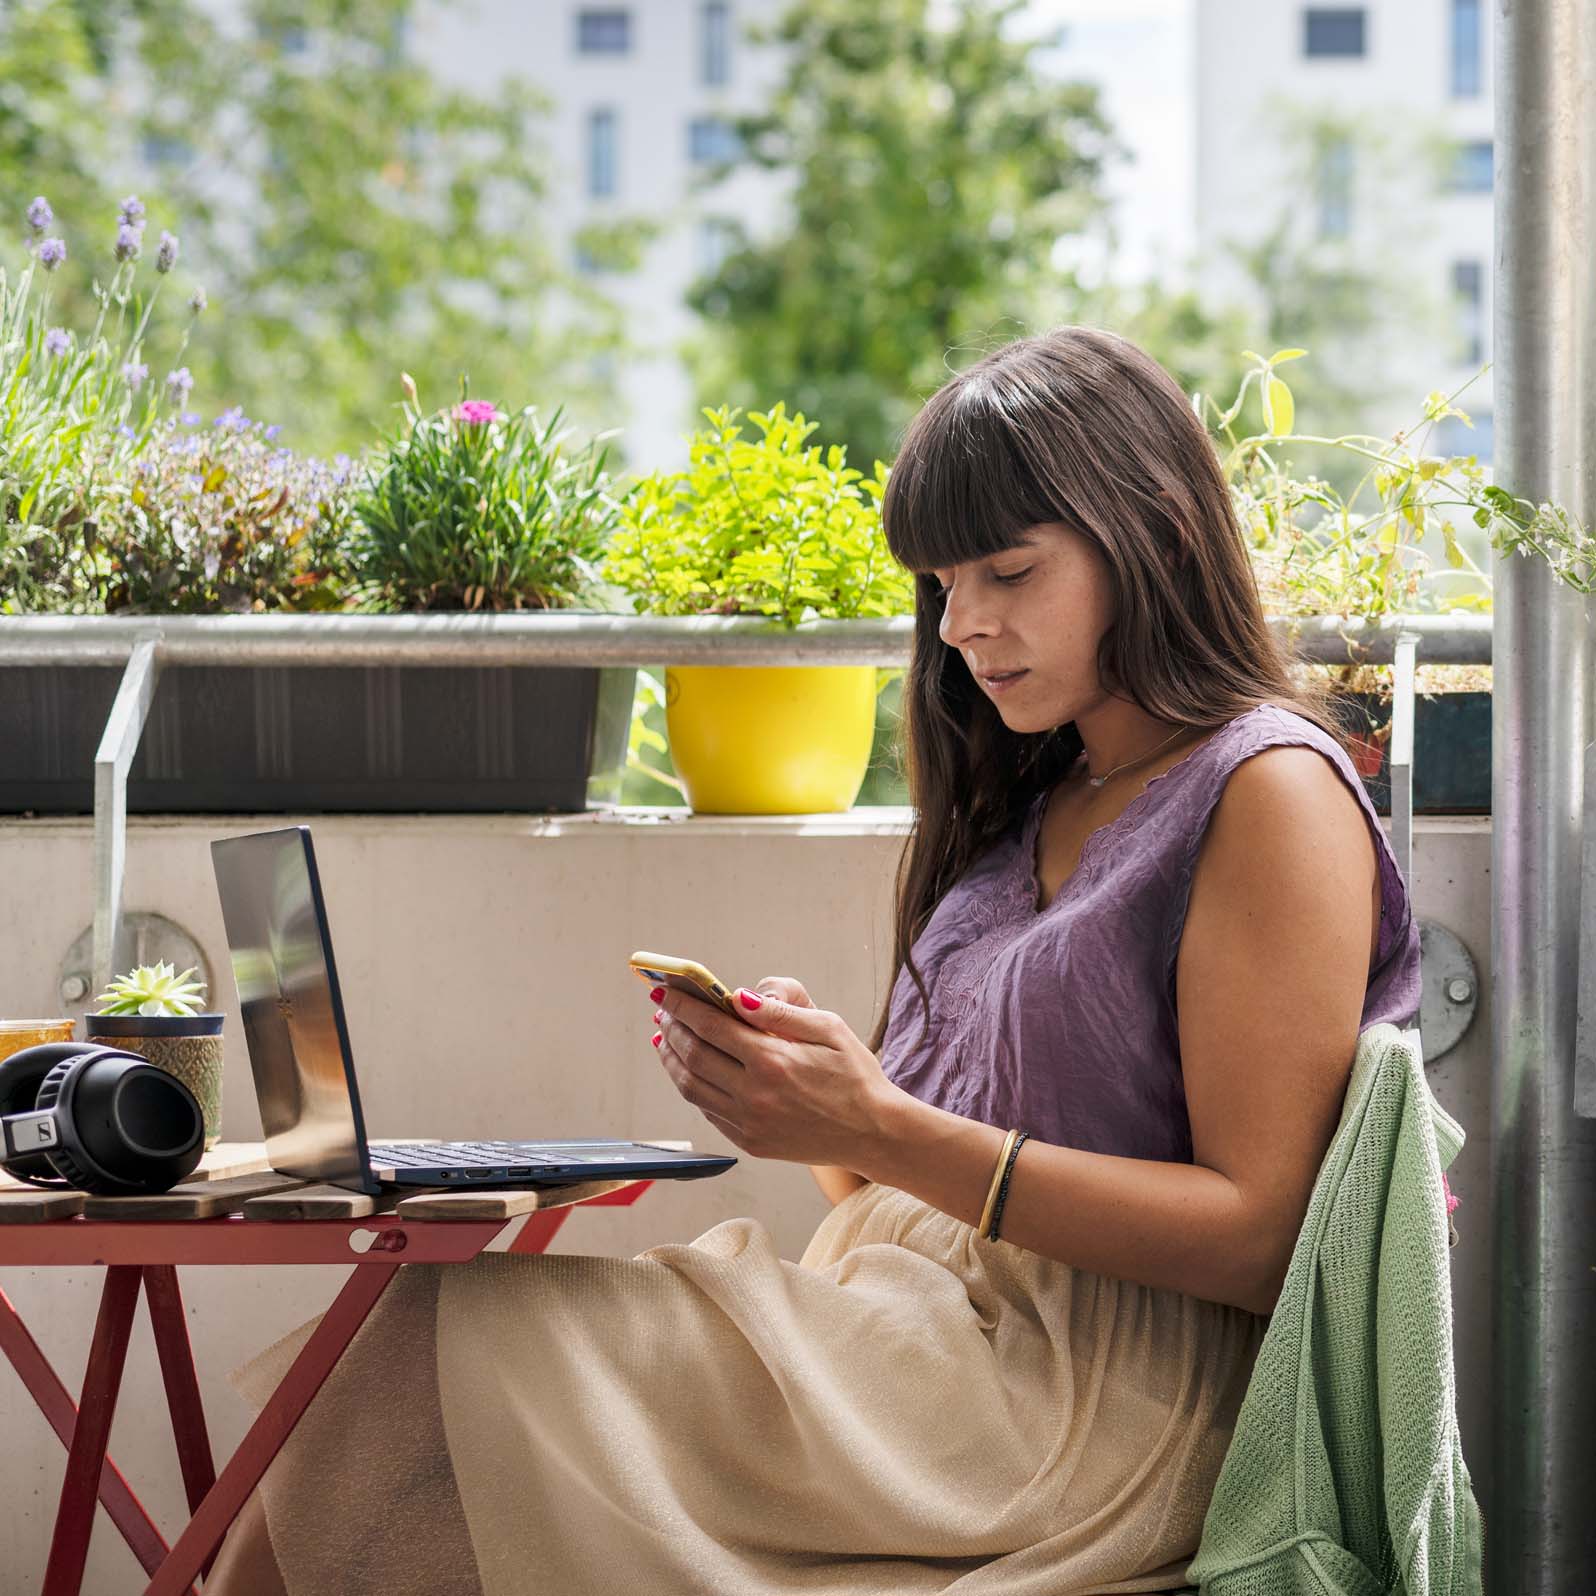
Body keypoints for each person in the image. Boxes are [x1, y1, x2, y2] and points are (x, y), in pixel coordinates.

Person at [208, 326, 1419, 1596]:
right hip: (909, 1337)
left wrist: (883, 1127)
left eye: (1009, 569)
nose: (964, 626)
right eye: (946, 583)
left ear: (1159, 537)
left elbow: (1263, 1236)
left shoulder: (1265, 793)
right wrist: (812, 1095)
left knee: (427, 1343)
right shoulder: (1036, 792)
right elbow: (892, 1183)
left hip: (1076, 1402)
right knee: (412, 1459)